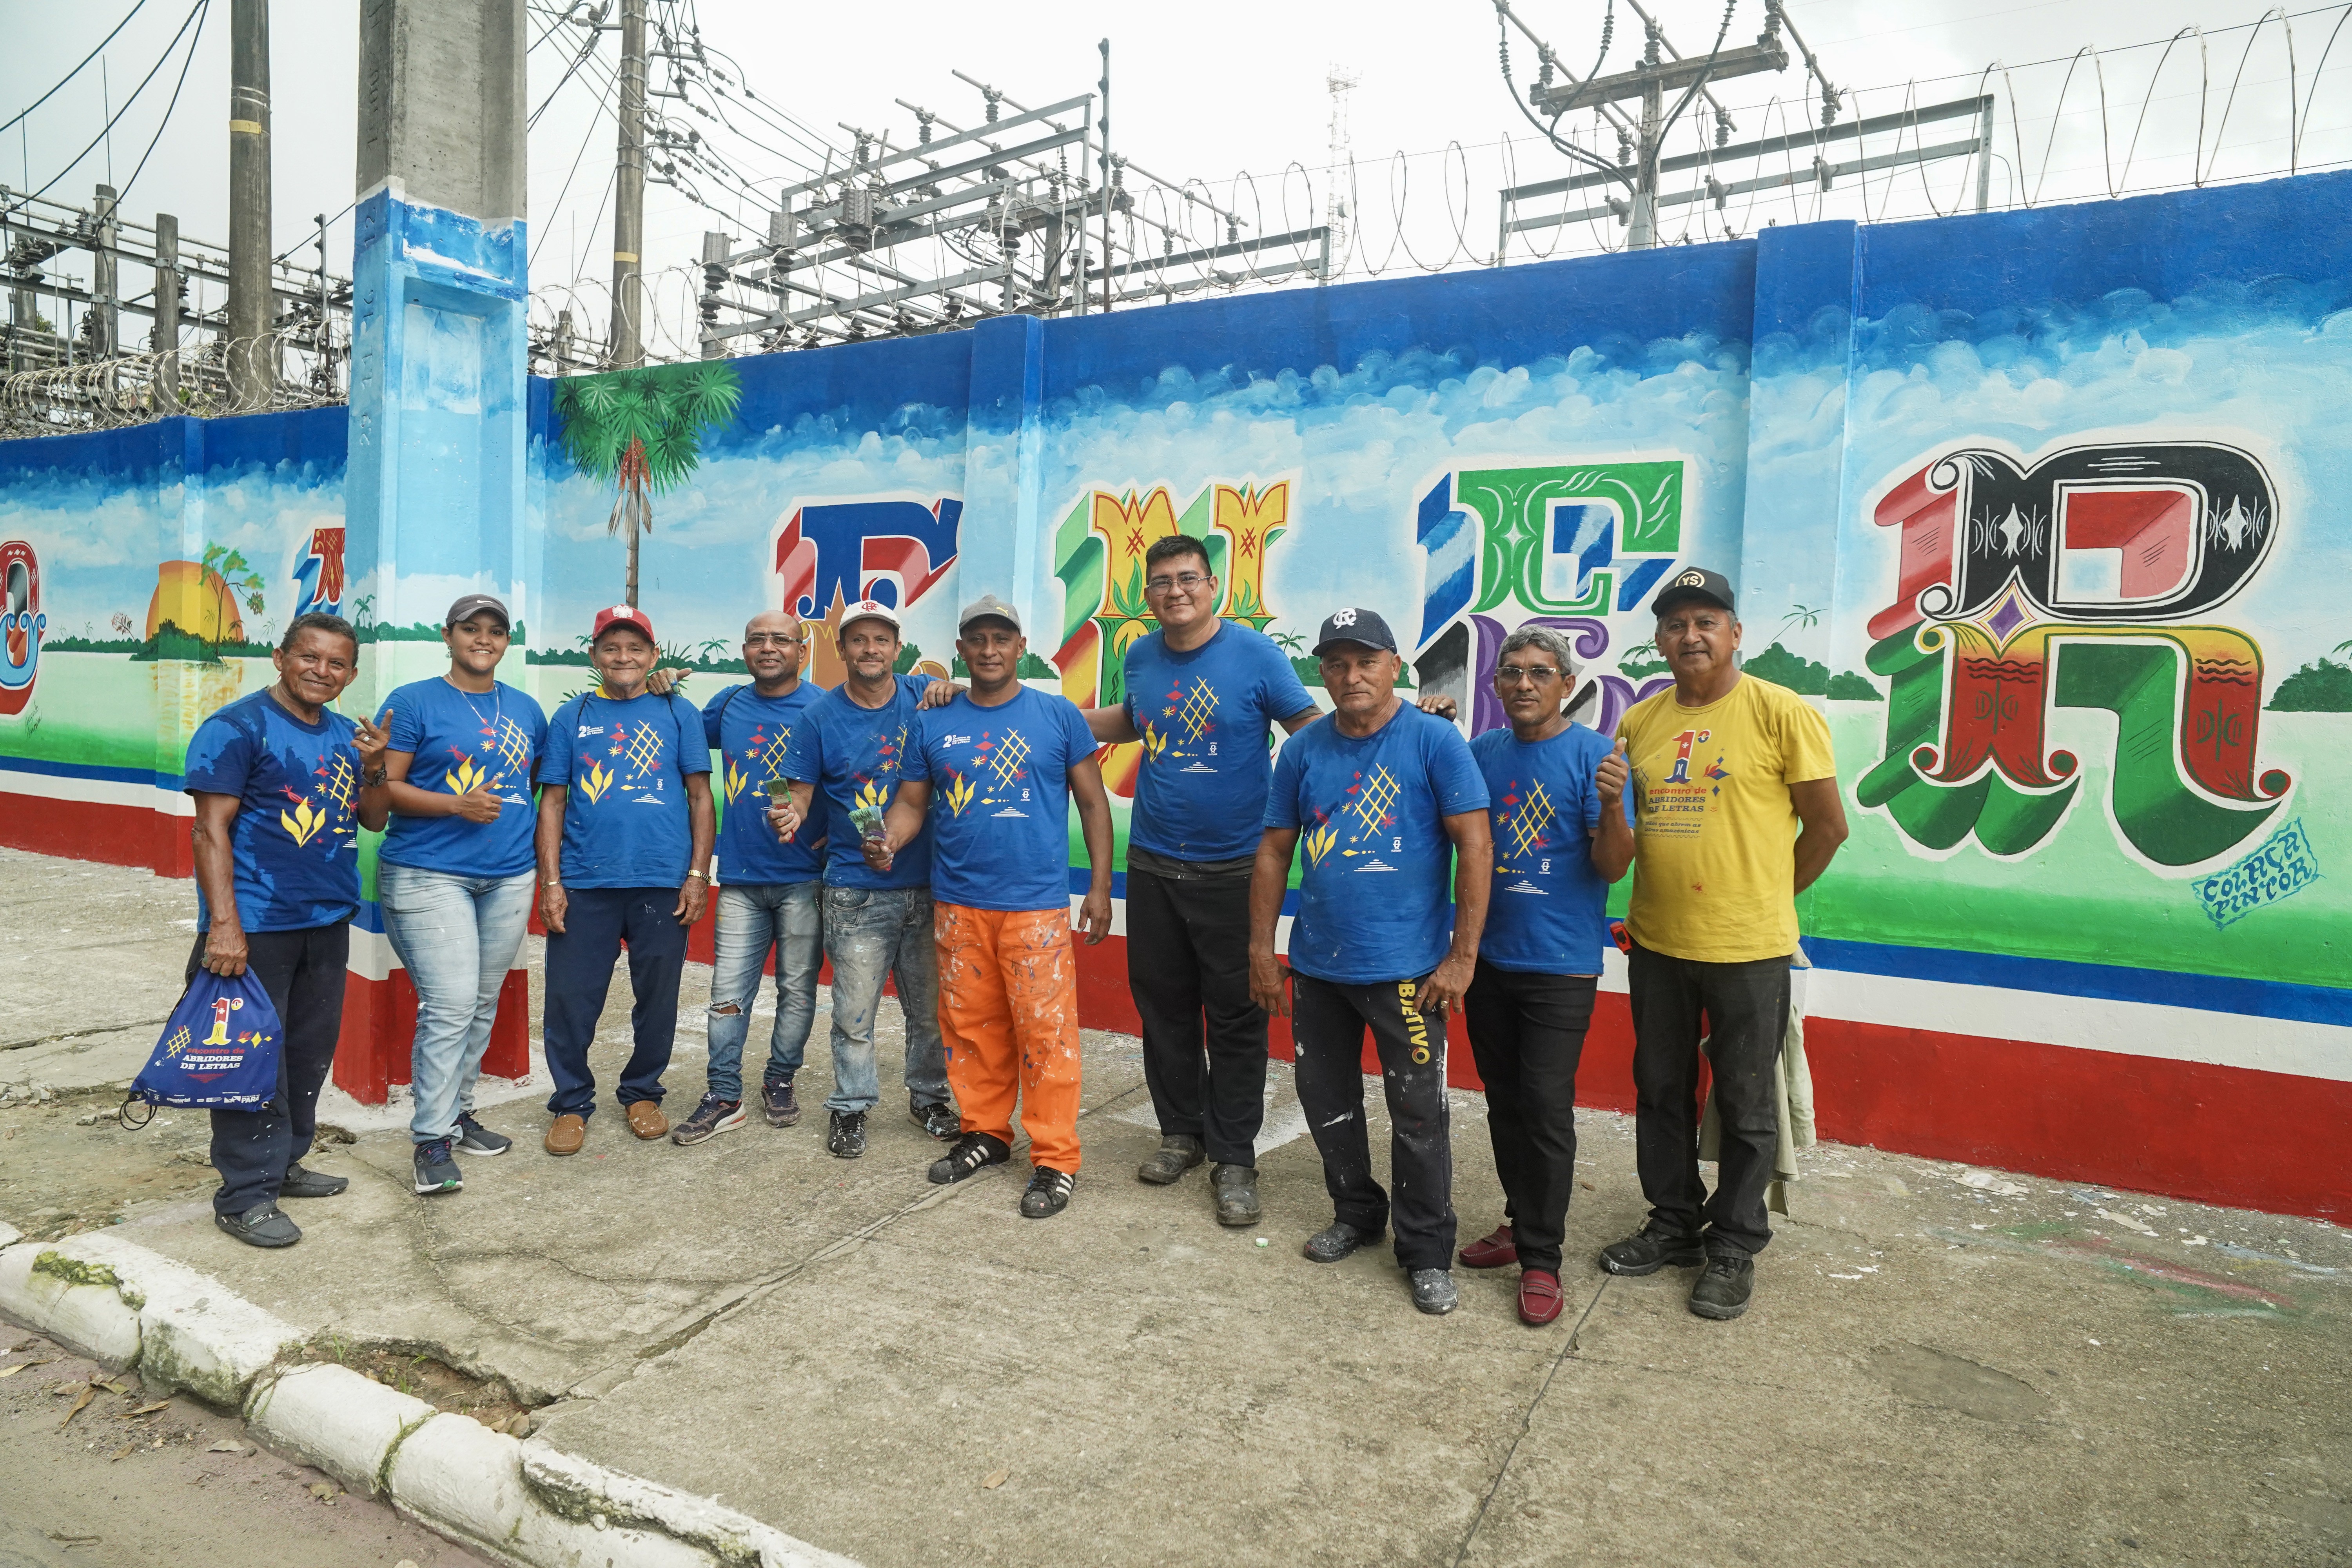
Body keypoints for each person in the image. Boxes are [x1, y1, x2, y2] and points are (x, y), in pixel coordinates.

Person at [1602, 567, 1847, 1321]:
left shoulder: (1781, 713)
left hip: (1750, 950)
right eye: (1676, 625)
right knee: (1661, 1091)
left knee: (1745, 1102)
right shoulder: (1640, 723)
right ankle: (1674, 1222)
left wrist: (1766, 902)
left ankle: (1736, 1243)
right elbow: (1624, 841)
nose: (1691, 636)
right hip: (1659, 944)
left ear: (1735, 634)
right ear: (1660, 642)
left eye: (1707, 621)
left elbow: (1828, 827)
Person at [1250, 608, 1492, 1316]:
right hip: (1320, 969)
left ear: (1394, 666)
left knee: (1419, 1117)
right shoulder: (1301, 751)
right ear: (1321, 674)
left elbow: (1475, 848)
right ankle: (1356, 1214)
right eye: (1335, 664)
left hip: (1410, 975)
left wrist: (1461, 959)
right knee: (1328, 1104)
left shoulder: (1435, 741)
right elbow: (1273, 851)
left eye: (1365, 661)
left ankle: (1425, 1251)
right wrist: (1262, 953)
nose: (1350, 676)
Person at [1075, 535, 1319, 1225]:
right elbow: (1131, 719)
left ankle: (1234, 1157)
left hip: (1236, 867)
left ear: (1213, 587)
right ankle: (1180, 1132)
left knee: (1237, 1016)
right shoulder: (1143, 654)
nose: (1175, 591)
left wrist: (1388, 735)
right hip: (1153, 861)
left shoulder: (1256, 655)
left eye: (1188, 579)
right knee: (1165, 1010)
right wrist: (1048, 719)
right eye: (1160, 583)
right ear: (1146, 596)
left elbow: (1308, 729)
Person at [874, 593, 1114, 1218]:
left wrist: (1099, 887)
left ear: (1020, 647)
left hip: (1034, 906)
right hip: (958, 903)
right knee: (971, 1028)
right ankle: (985, 1132)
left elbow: (1093, 804)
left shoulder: (1058, 717)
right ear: (962, 650)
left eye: (1000, 639)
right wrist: (890, 839)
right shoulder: (931, 722)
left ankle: (1055, 1158)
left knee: (1047, 1034)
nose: (989, 650)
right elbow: (910, 804)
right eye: (976, 640)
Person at [184, 612, 390, 1247]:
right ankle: (243, 1197)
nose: (321, 672)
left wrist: (376, 769)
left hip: (327, 921)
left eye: (336, 664)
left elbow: (374, 821)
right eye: (310, 657)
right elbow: (208, 831)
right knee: (249, 1064)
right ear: (281, 657)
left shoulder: (342, 736)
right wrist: (224, 927)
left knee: (306, 1054)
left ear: (350, 675)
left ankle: (285, 1163)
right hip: (253, 929)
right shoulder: (236, 728)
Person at [1456, 626, 1634, 1326]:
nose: (1524, 684)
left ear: (1567, 684)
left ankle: (1541, 1260)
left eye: (1540, 672)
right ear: (1495, 686)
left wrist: (1615, 805)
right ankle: (1517, 1220)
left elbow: (1614, 866)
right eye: (1512, 672)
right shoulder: (1481, 754)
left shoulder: (1597, 758)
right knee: (1504, 1103)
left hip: (1560, 966)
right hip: (1489, 959)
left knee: (1546, 1108)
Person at [376, 594, 548, 1195]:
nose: (483, 639)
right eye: (470, 629)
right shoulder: (413, 701)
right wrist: (457, 803)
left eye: (495, 631)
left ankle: (458, 1113)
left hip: (508, 876)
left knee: (478, 1002)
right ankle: (430, 1140)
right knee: (449, 1005)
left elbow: (535, 789)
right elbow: (385, 788)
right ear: (447, 636)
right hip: (428, 873)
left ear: (507, 642)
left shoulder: (526, 709)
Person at [778, 600, 958, 1158]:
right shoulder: (818, 717)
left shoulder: (926, 699)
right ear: (842, 648)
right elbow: (789, 785)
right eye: (859, 640)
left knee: (928, 1012)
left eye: (881, 639)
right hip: (855, 890)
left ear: (897, 646)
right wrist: (784, 811)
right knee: (854, 1014)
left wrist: (950, 691)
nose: (871, 649)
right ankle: (851, 1107)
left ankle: (928, 1098)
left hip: (929, 884)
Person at [534, 604, 715, 1154]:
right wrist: (551, 882)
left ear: (653, 655)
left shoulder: (677, 712)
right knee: (570, 998)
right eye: (611, 647)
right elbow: (554, 802)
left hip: (662, 881)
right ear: (594, 656)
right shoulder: (573, 717)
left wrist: (696, 876)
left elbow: (701, 796)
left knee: (658, 997)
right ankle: (570, 1102)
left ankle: (642, 1092)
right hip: (586, 882)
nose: (624, 657)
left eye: (635, 647)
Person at [667, 610, 829, 1146]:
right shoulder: (730, 705)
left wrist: (849, 836)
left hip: (804, 879)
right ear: (744, 651)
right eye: (757, 640)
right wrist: (660, 688)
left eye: (780, 640)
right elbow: (679, 733)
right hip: (738, 881)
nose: (768, 648)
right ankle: (723, 1094)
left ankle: (780, 1080)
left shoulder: (825, 708)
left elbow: (857, 776)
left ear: (801, 652)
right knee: (727, 995)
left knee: (797, 993)